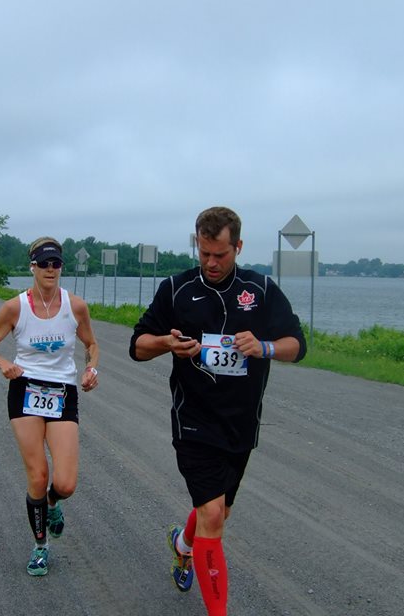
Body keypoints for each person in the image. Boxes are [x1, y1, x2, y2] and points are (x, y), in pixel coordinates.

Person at [129, 206, 306, 615]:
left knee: (218, 510)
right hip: (193, 420)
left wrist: (264, 347)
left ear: (238, 246)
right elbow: (137, 346)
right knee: (212, 515)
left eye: (220, 254)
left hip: (240, 424)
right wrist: (166, 343)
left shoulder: (261, 290)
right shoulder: (176, 289)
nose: (210, 262)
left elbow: (297, 345)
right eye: (204, 253)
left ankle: (183, 544)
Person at [0, 237, 99, 577]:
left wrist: (91, 368)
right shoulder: (15, 308)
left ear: (61, 267)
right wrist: (4, 364)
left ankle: (52, 502)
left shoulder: (76, 306)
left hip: (62, 393)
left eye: (55, 263)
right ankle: (41, 546)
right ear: (32, 266)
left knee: (66, 482)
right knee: (38, 474)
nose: (50, 269)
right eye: (43, 263)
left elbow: (92, 344)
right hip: (25, 390)